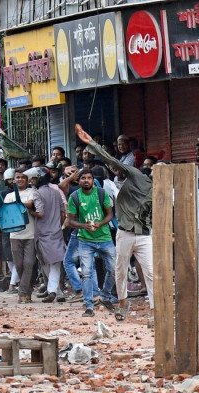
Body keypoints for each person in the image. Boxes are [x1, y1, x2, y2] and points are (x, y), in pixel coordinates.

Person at [77, 124, 153, 323]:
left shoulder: (160, 190)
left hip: (145, 234)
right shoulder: (136, 175)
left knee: (151, 273)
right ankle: (122, 304)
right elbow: (111, 160)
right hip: (125, 232)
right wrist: (91, 143)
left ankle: (154, 310)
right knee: (119, 271)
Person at [65, 167, 116, 317]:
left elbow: (110, 214)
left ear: (93, 180)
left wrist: (101, 224)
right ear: (78, 180)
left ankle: (105, 296)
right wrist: (83, 226)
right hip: (85, 240)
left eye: (88, 178)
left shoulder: (102, 194)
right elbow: (70, 221)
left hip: (105, 238)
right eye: (83, 178)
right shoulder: (74, 197)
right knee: (86, 273)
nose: (86, 180)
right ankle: (89, 306)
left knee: (113, 270)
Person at [31, 168, 66, 303]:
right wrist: (60, 225)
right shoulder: (57, 193)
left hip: (43, 232)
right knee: (54, 263)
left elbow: (40, 213)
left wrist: (29, 211)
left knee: (48, 263)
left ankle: (52, 291)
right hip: (56, 231)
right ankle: (59, 293)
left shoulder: (37, 194)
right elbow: (63, 213)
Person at [4, 171, 37, 302]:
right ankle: (27, 292)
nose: (20, 179)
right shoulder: (9, 195)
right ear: (14, 180)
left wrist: (17, 205)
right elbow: (5, 210)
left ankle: (22, 292)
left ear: (27, 179)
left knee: (29, 263)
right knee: (18, 265)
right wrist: (20, 205)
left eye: (23, 177)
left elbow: (31, 204)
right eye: (18, 177)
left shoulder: (32, 191)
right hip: (14, 234)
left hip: (30, 234)